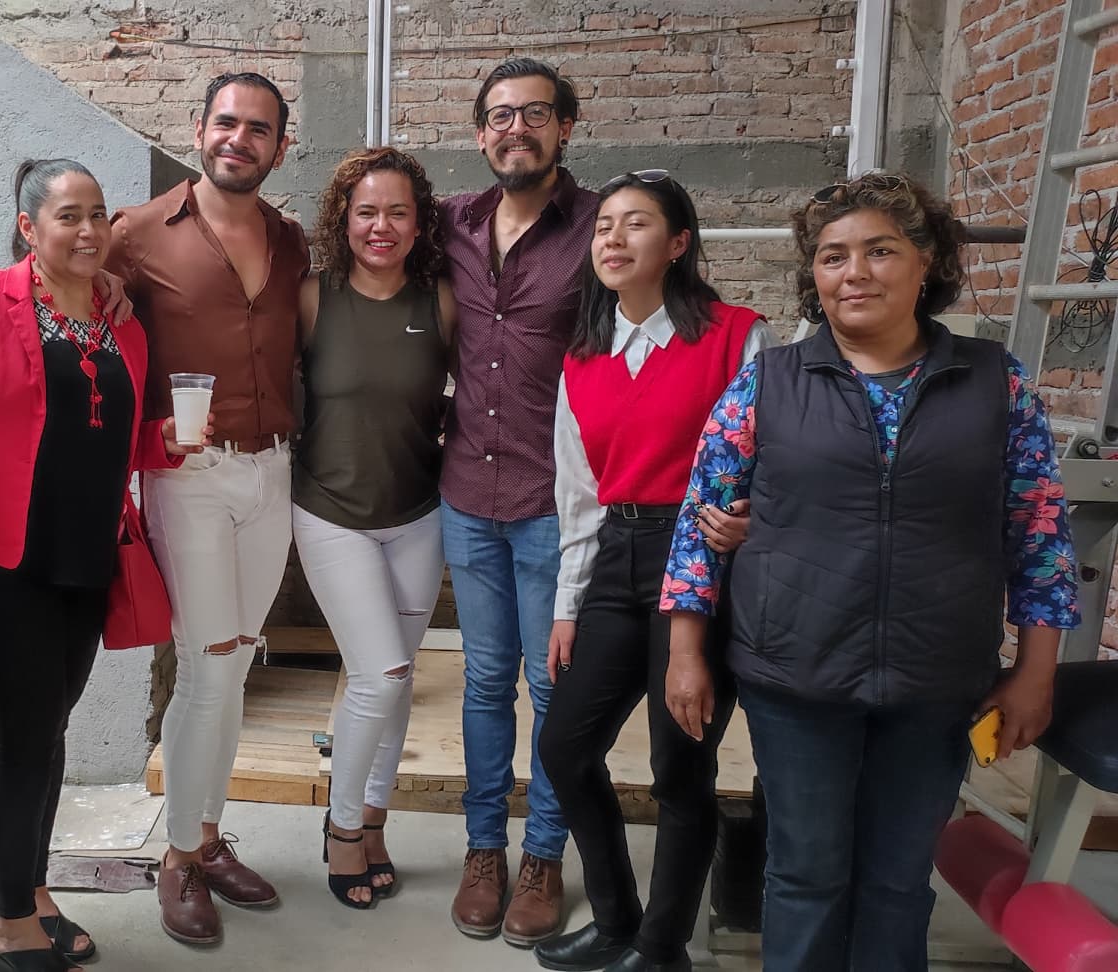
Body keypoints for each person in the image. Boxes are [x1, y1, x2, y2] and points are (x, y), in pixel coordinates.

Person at [660, 172, 1079, 972]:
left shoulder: (996, 383)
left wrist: (1036, 673)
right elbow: (699, 525)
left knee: (896, 882)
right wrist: (685, 652)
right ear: (814, 276)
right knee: (805, 876)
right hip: (796, 677)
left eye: (880, 251)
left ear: (926, 263)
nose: (854, 272)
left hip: (936, 680)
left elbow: (1041, 536)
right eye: (832, 256)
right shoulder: (768, 382)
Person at [0, 158, 198, 972]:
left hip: (86, 553)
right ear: (29, 228)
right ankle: (7, 924)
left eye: (98, 213)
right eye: (68, 215)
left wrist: (165, 442)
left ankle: (32, 894)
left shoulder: (122, 323)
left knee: (50, 730)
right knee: (21, 739)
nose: (88, 229)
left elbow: (113, 443)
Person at [534, 171, 767, 972]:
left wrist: (757, 521)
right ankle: (615, 923)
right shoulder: (582, 357)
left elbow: (778, 458)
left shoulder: (737, 337)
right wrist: (568, 605)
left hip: (702, 559)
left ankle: (662, 948)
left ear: (678, 244)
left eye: (636, 223)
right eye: (604, 225)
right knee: (565, 749)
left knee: (679, 766)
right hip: (615, 555)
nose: (613, 237)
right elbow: (577, 493)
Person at [103, 73, 310, 946]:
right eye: (226, 122)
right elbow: (66, 313)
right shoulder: (136, 232)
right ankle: (179, 858)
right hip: (187, 475)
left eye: (258, 129)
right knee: (206, 668)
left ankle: (208, 835)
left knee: (237, 664)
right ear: (198, 129)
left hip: (272, 472)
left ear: (279, 148)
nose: (239, 139)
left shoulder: (290, 239)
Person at [438, 56, 598, 947]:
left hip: (554, 499)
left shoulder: (598, 225)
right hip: (467, 490)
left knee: (552, 684)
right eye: (500, 116)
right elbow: (361, 248)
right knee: (486, 678)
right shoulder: (451, 223)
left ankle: (544, 854)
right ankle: (483, 850)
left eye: (535, 114)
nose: (516, 129)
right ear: (480, 134)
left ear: (565, 128)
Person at [291, 147, 456, 909]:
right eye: (366, 211)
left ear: (418, 224)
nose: (380, 226)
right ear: (343, 219)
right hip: (331, 512)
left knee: (399, 678)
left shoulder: (441, 302)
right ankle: (342, 826)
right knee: (380, 674)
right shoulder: (313, 297)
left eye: (397, 211)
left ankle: (374, 820)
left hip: (418, 514)